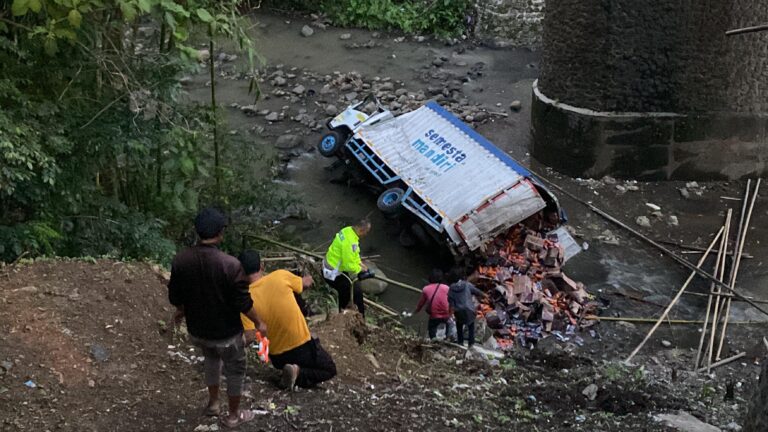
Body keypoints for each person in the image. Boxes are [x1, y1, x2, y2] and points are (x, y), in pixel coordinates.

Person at [168, 208, 266, 429]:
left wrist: (182, 311)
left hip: (198, 330)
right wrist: (259, 322)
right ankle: (233, 415)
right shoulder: (230, 265)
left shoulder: (180, 260)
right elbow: (243, 302)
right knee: (235, 369)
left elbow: (175, 296)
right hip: (227, 333)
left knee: (211, 360)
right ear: (221, 233)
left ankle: (213, 404)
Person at [238, 250, 337, 390]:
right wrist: (308, 278)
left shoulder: (244, 300)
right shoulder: (280, 276)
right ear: (262, 266)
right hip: (301, 345)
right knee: (329, 369)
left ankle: (290, 370)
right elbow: (305, 284)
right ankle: (297, 372)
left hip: (278, 357)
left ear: (240, 273)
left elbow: (249, 335)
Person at [322, 219, 371, 316]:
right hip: (332, 272)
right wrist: (361, 270)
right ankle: (354, 316)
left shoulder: (348, 230)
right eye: (366, 232)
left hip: (330, 264)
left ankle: (344, 312)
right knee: (353, 292)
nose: (366, 234)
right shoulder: (350, 242)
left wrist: (359, 263)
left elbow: (354, 252)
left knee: (349, 290)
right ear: (361, 230)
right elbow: (348, 266)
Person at [447, 269, 484, 348]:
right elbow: (477, 292)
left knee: (459, 325)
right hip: (470, 310)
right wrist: (485, 296)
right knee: (471, 326)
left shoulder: (451, 288)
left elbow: (451, 305)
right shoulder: (467, 284)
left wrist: (450, 315)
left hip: (458, 312)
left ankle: (460, 343)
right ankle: (471, 344)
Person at [413, 269, 451, 340]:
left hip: (435, 315)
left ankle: (433, 340)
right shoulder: (447, 288)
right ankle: (447, 338)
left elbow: (421, 304)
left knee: (432, 328)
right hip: (447, 314)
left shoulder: (426, 289)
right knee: (448, 324)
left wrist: (415, 312)